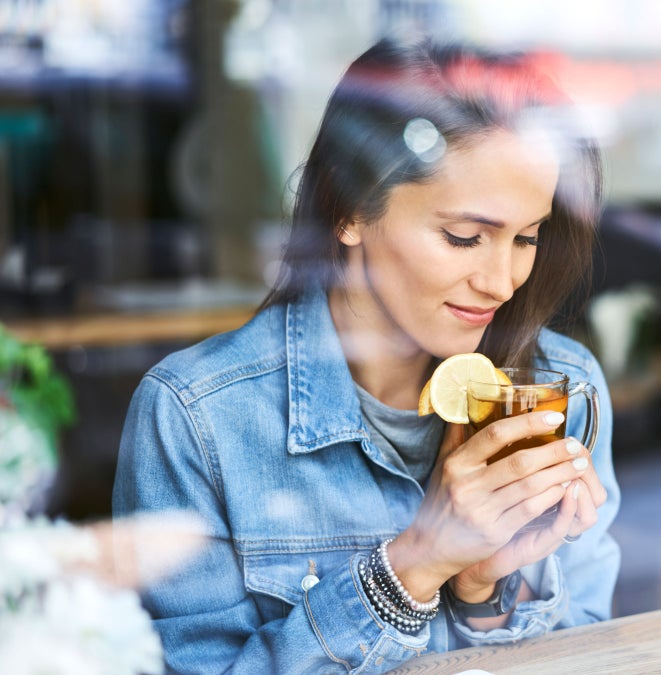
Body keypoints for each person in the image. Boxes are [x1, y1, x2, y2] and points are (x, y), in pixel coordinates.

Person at [112, 36, 619, 673]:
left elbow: (592, 648)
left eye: (526, 238)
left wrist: (483, 589)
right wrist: (416, 565)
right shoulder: (197, 418)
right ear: (350, 209)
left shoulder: (559, 389)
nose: (502, 281)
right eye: (464, 237)